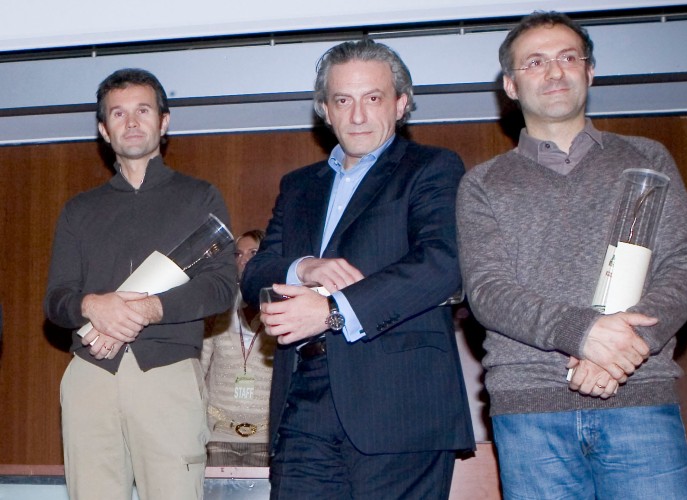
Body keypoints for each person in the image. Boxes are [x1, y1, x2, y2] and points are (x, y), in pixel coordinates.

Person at [456, 11, 687, 499]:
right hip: (530, 411)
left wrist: (619, 354)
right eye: (535, 62)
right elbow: (488, 292)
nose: (554, 72)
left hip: (640, 397)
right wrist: (585, 333)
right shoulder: (482, 183)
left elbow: (684, 265)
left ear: (589, 72)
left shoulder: (647, 158)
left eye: (568, 58)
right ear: (510, 85)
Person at [241, 39, 475, 499]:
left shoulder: (432, 167)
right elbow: (254, 275)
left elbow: (443, 263)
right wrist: (304, 267)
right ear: (324, 110)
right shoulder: (298, 186)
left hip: (400, 404)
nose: (358, 115)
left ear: (401, 104)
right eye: (343, 100)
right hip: (302, 399)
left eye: (373, 98)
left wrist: (332, 311)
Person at [44, 68, 236, 500]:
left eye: (143, 110)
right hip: (91, 373)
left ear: (164, 122)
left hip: (167, 372)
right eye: (118, 113)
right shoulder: (79, 210)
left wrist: (149, 309)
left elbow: (221, 287)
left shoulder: (199, 197)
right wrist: (93, 306)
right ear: (103, 130)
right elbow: (56, 301)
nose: (131, 122)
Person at [202, 229, 275, 467]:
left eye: (253, 253)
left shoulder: (283, 308)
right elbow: (199, 369)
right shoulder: (219, 307)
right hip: (218, 434)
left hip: (267, 437)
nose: (243, 260)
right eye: (238, 254)